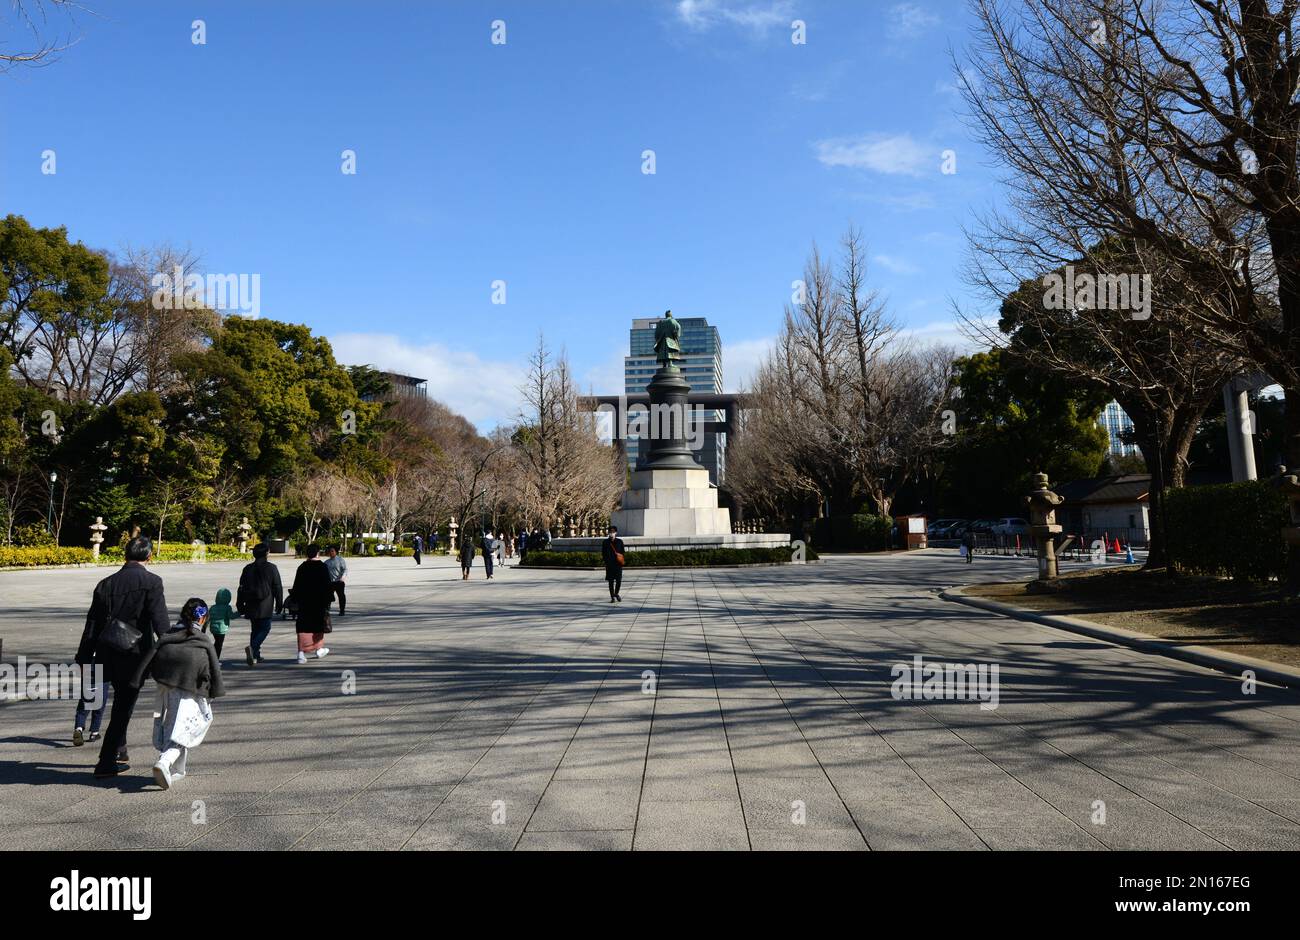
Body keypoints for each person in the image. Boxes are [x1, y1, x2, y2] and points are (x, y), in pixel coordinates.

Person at [76, 535, 171, 780]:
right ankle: (106, 762)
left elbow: (93, 622)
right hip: (135, 655)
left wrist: (84, 655)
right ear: (149, 556)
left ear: (125, 555)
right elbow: (160, 622)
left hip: (106, 651)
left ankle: (120, 750)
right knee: (122, 708)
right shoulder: (152, 582)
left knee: (118, 704)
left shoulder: (106, 583)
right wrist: (171, 649)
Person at [130, 597, 225, 790]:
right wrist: (214, 691)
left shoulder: (169, 635)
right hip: (189, 690)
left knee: (169, 725)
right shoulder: (202, 640)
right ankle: (164, 762)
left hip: (163, 688)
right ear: (202, 618)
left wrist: (138, 678)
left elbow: (151, 655)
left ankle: (178, 770)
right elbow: (214, 667)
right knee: (187, 728)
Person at [238, 542, 283, 667]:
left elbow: (241, 587)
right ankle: (253, 648)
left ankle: (255, 655)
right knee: (265, 628)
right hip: (266, 603)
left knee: (255, 629)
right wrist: (279, 603)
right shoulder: (272, 568)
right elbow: (277, 587)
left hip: (250, 602)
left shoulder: (247, 568)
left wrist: (240, 604)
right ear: (266, 553)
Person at [291, 544, 334, 664]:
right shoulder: (322, 567)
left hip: (304, 602)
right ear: (318, 553)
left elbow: (297, 585)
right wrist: (329, 600)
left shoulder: (302, 567)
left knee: (303, 627)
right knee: (318, 625)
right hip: (319, 602)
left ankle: (301, 653)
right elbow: (327, 585)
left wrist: (295, 599)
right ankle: (319, 648)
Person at [207, 587, 234, 658]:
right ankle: (215, 658)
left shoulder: (213, 607)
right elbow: (231, 616)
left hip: (213, 628)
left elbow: (208, 618)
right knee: (219, 644)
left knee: (217, 643)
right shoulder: (227, 607)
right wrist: (239, 613)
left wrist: (204, 627)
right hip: (221, 629)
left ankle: (213, 656)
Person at [602, 525, 626, 603]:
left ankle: (616, 594)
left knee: (618, 581)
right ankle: (612, 597)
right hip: (609, 565)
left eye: (613, 532)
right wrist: (606, 562)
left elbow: (622, 552)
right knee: (610, 582)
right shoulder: (605, 542)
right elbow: (603, 553)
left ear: (616, 533)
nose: (611, 534)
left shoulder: (620, 541)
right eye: (610, 532)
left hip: (618, 565)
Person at [325, 545, 347, 616]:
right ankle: (327, 610)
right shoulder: (326, 562)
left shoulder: (340, 560)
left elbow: (345, 569)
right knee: (327, 596)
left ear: (336, 552)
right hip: (330, 582)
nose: (331, 553)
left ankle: (342, 610)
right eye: (330, 551)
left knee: (341, 596)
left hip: (339, 582)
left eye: (332, 551)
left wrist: (343, 577)